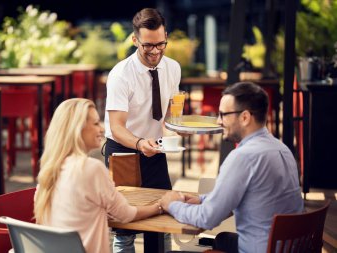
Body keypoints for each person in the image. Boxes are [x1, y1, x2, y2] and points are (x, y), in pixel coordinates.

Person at [160, 82, 304, 253]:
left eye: (223, 115)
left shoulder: (243, 157)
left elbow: (207, 218)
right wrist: (202, 200)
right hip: (288, 246)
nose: (219, 121)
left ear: (244, 117)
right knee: (222, 239)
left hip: (259, 249)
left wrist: (172, 205)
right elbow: (246, 194)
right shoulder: (282, 148)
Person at [34, 98, 164, 253]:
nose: (102, 129)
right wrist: (161, 206)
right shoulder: (91, 168)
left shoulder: (49, 171)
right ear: (78, 129)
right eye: (96, 123)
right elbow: (126, 214)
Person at [104, 7, 181, 252]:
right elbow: (116, 127)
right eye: (148, 45)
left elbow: (169, 115)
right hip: (124, 152)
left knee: (163, 221)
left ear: (166, 36)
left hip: (155, 150)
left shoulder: (173, 68)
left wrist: (178, 128)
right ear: (135, 39)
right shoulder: (121, 75)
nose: (155, 51)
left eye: (161, 44)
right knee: (125, 228)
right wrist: (138, 144)